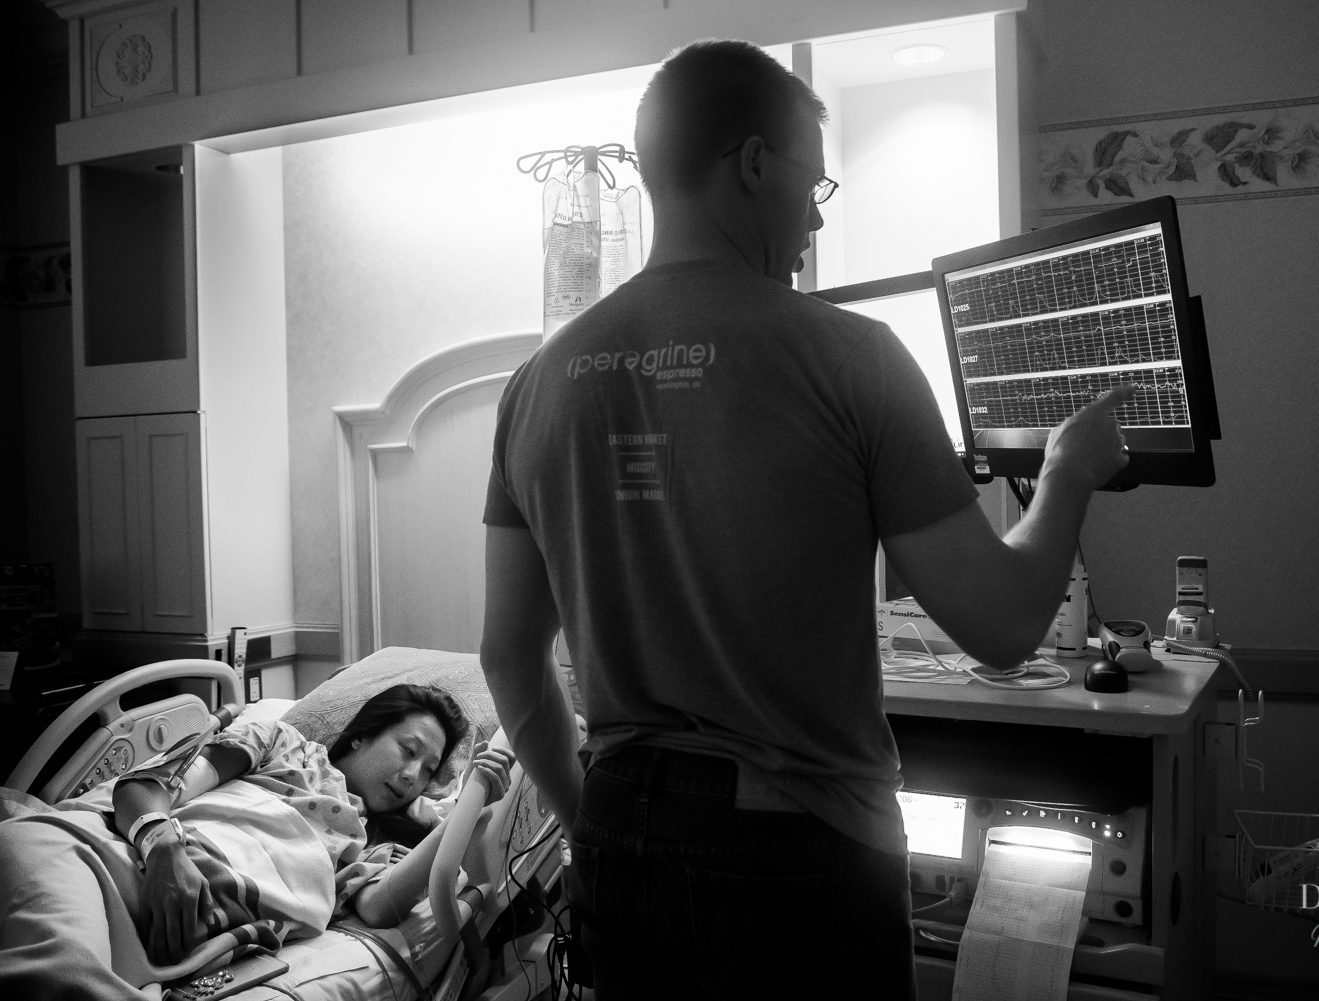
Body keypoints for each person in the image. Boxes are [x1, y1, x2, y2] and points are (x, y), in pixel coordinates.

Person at [478, 39, 1134, 1000]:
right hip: (797, 850)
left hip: (621, 824)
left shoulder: (535, 385)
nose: (810, 225)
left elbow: (509, 659)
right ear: (753, 164)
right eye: (812, 190)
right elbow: (1002, 627)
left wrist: (595, 825)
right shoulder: (852, 358)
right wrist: (1070, 472)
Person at [0, 684, 515, 998]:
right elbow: (149, 787)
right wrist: (165, 850)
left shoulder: (369, 845)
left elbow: (379, 907)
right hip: (102, 859)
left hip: (174, 934)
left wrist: (464, 813)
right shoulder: (284, 746)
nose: (411, 777)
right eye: (408, 750)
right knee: (60, 971)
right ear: (362, 735)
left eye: (427, 772)